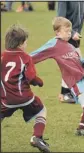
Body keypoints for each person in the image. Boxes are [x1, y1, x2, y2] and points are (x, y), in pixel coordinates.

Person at [30, 17, 84, 137]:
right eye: (66, 31)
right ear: (57, 32)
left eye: (70, 31)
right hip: (73, 79)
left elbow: (79, 62)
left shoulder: (70, 45)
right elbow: (38, 53)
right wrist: (21, 60)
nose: (69, 33)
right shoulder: (54, 43)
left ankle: (82, 128)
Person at [1, 24, 50, 152]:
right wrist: (39, 82)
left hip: (6, 99)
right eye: (26, 42)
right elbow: (31, 77)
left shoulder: (2, 57)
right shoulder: (25, 57)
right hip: (25, 98)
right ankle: (36, 137)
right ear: (20, 43)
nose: (26, 45)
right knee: (41, 110)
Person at [57, 2, 84, 103]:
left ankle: (68, 92)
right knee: (72, 64)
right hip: (67, 36)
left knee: (75, 64)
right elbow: (60, 20)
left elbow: (78, 9)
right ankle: (65, 93)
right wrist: (71, 33)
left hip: (76, 35)